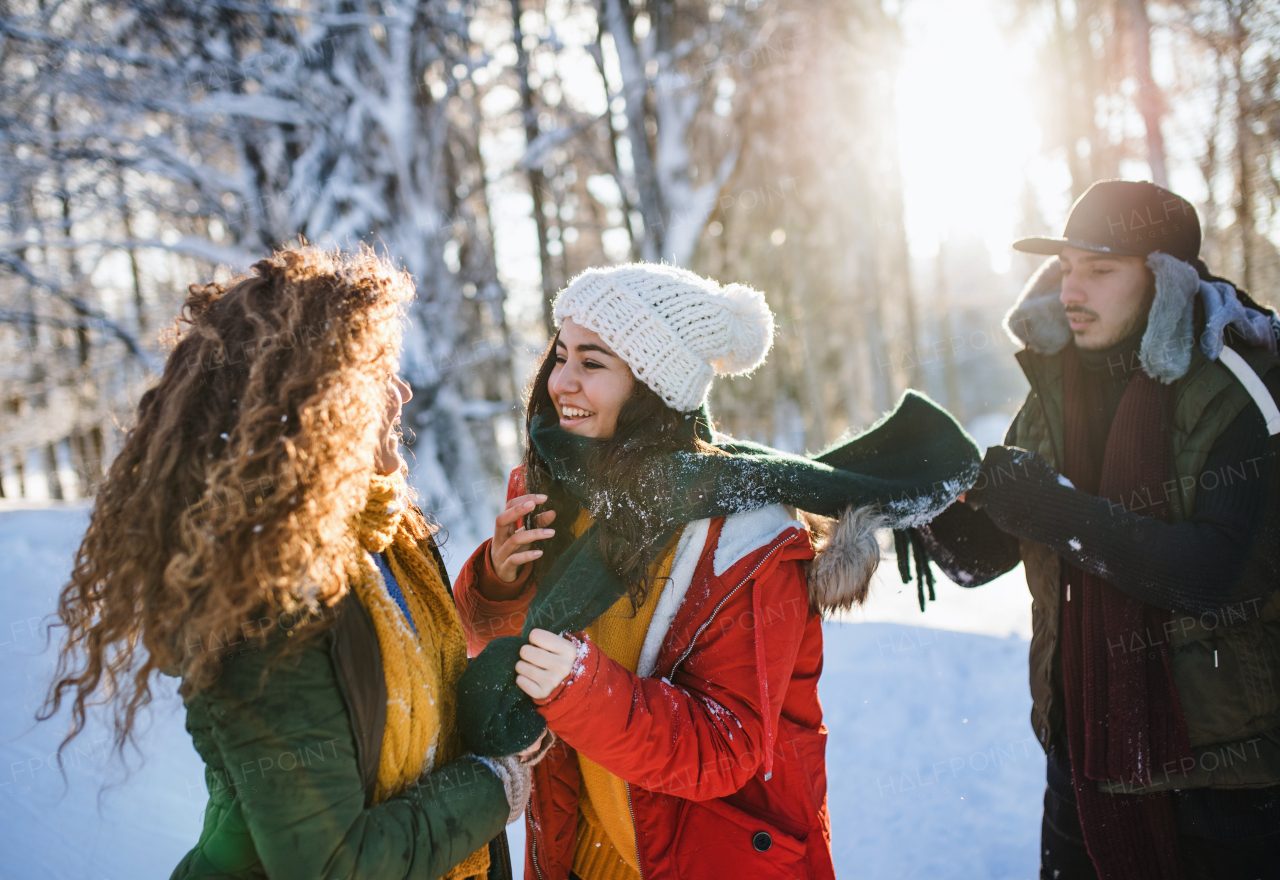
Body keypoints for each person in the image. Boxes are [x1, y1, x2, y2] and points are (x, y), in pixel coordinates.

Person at [41, 246, 536, 880]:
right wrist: (494, 786)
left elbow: (416, 699)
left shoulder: (387, 528)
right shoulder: (265, 598)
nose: (404, 389)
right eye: (382, 368)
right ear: (324, 400)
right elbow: (332, 864)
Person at [454, 264, 877, 880]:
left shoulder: (745, 537)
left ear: (653, 387)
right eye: (561, 355)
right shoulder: (553, 496)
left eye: (593, 364)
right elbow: (496, 653)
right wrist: (497, 581)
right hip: (578, 857)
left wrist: (579, 688)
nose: (560, 382)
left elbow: (727, 745)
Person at [918, 180, 1280, 879]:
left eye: (1100, 270)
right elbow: (993, 553)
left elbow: (1217, 573)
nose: (1071, 290)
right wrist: (917, 503)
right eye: (1067, 268)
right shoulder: (1056, 384)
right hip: (1083, 752)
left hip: (1228, 778)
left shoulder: (1242, 387)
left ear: (1166, 280)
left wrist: (1054, 509)